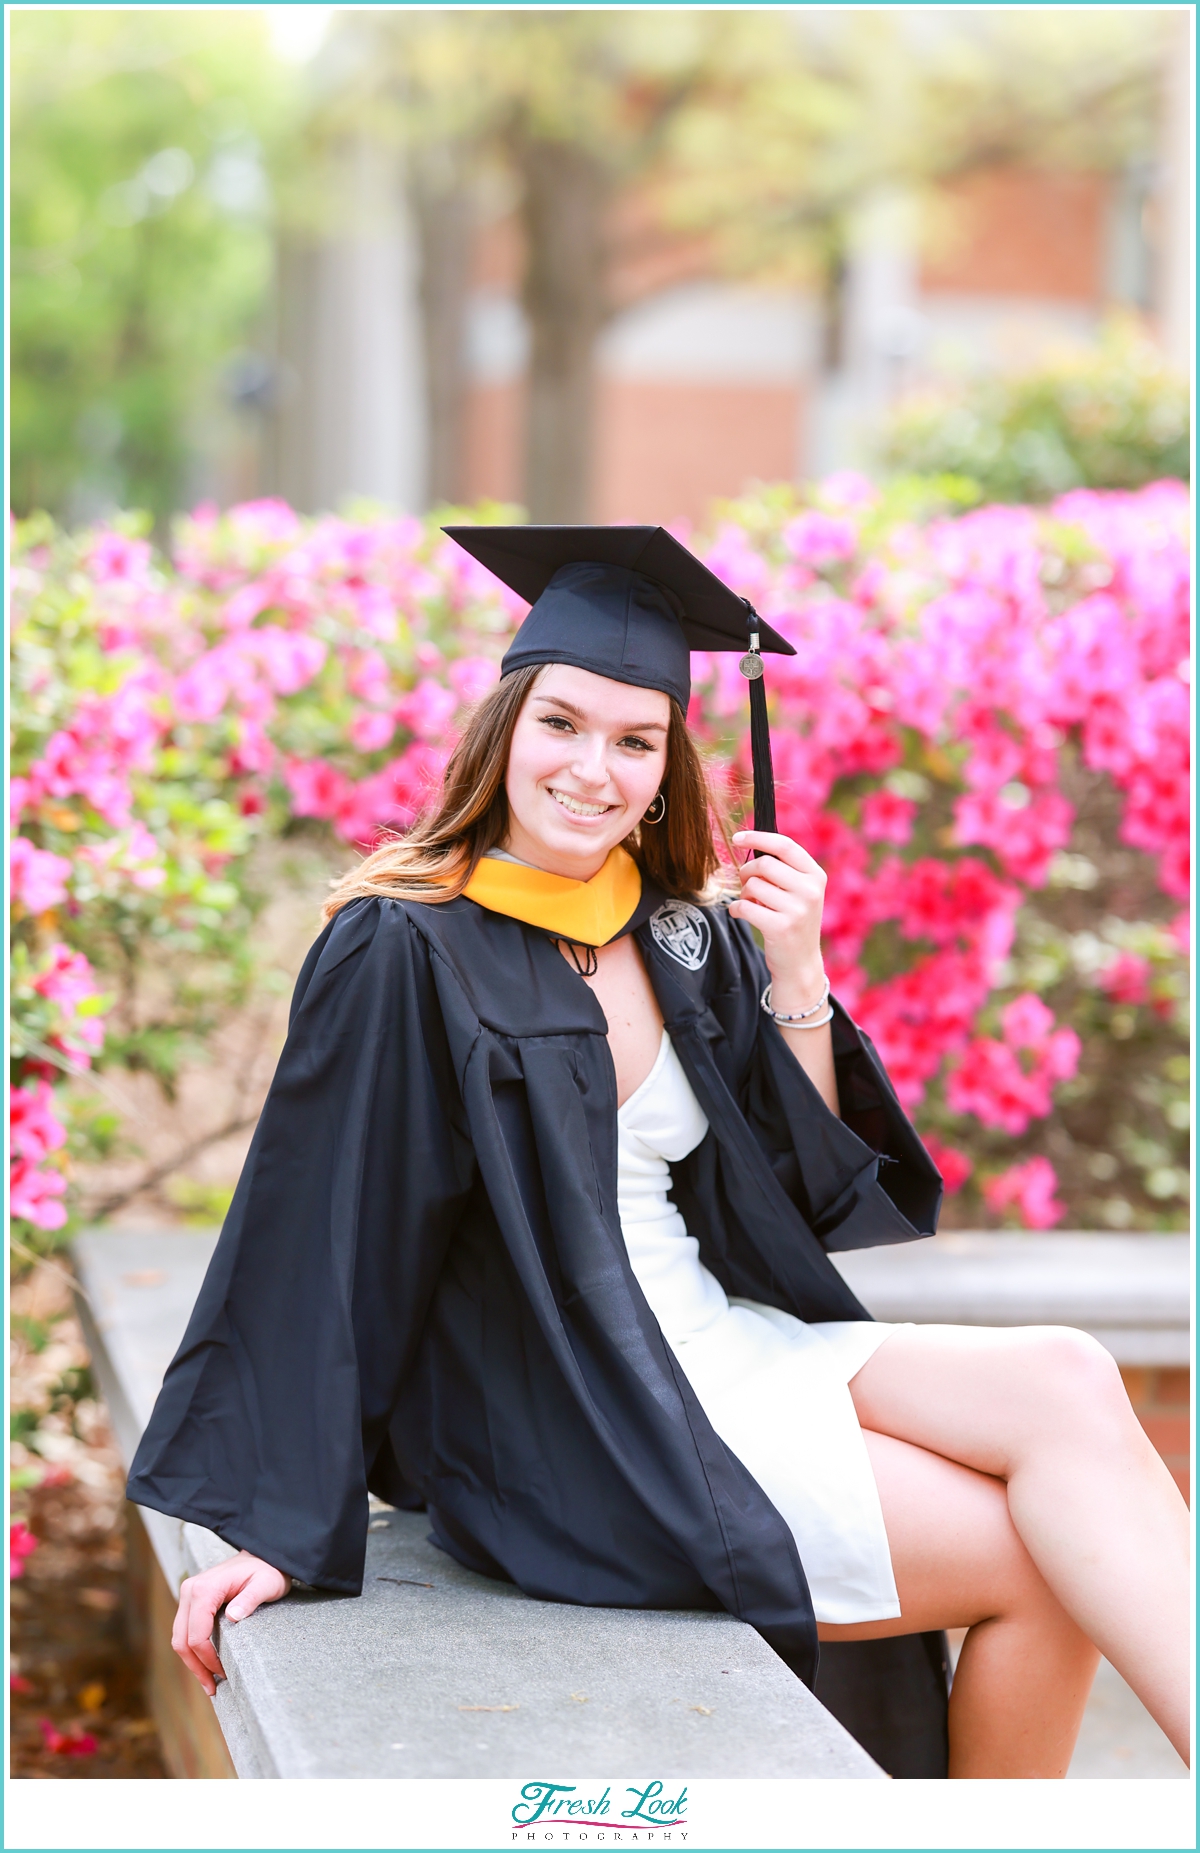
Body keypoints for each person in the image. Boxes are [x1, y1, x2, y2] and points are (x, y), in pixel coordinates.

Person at [130, 528, 1190, 1780]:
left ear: (669, 763)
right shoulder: (404, 948)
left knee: (1068, 1375)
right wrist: (277, 1517)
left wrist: (798, 974)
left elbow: (801, 1199)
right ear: (505, 728)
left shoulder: (683, 935)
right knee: (1051, 1560)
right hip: (578, 1415)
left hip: (716, 1344)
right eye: (564, 726)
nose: (594, 770)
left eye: (636, 742)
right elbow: (327, 1223)